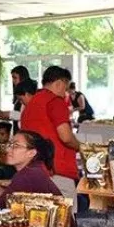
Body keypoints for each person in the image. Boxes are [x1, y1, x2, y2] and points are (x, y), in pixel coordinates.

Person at [19, 66, 81, 202]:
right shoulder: (55, 101)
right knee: (64, 220)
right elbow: (65, 137)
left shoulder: (30, 105)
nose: (65, 93)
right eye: (65, 88)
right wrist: (80, 147)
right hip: (57, 170)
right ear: (59, 83)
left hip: (33, 170)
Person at [0, 131, 62, 207]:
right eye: (10, 144)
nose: (8, 149)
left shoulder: (28, 175)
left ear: (31, 153)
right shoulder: (35, 170)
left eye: (16, 145)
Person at [0, 65, 34, 131]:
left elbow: (26, 115)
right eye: (12, 78)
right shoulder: (18, 96)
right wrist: (5, 116)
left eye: (15, 78)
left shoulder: (32, 96)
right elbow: (20, 115)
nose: (13, 81)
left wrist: (8, 114)